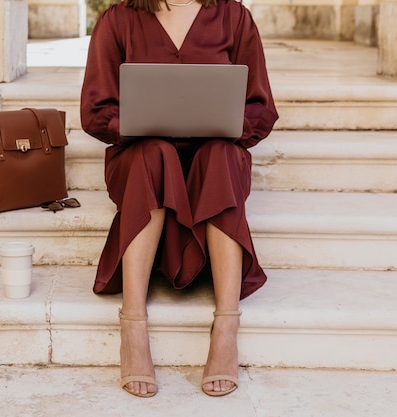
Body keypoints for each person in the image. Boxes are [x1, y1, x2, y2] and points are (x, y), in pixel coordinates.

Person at [80, 0, 278, 398]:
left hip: (215, 152)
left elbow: (259, 107)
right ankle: (132, 324)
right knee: (154, 152)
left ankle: (226, 325)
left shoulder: (234, 17)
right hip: (141, 155)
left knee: (220, 156)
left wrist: (222, 121)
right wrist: (137, 121)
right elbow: (96, 109)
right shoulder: (118, 20)